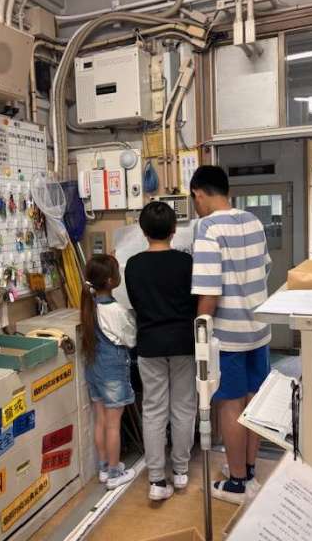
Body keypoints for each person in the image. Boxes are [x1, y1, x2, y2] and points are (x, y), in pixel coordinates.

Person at [190, 165, 272, 505]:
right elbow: (265, 267)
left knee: (231, 407)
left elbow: (209, 291)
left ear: (198, 194)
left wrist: (200, 333)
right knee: (253, 404)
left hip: (229, 335)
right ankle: (248, 472)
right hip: (260, 329)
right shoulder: (253, 221)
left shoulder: (207, 227)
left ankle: (237, 484)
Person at [125, 202, 197, 502]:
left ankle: (156, 479)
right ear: (173, 229)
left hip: (149, 343)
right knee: (183, 406)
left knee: (154, 409)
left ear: (143, 231)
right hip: (183, 343)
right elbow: (195, 301)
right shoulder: (186, 262)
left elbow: (135, 303)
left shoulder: (133, 265)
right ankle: (180, 471)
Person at [81, 254, 137, 490]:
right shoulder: (115, 310)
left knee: (101, 420)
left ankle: (104, 467)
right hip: (112, 369)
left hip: (94, 367)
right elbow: (130, 340)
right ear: (112, 281)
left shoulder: (89, 305)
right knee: (114, 424)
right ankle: (115, 474)